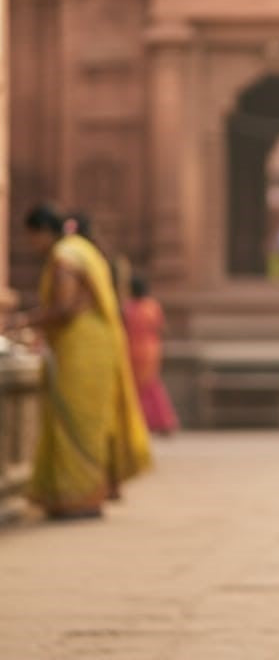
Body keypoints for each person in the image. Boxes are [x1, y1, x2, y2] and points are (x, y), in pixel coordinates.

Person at [14, 205, 151, 519]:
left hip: (79, 347)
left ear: (42, 232)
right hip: (102, 345)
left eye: (31, 237)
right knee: (91, 421)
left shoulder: (64, 256)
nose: (31, 245)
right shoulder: (87, 251)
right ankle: (90, 495)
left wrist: (23, 321)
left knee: (72, 419)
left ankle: (76, 498)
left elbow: (64, 307)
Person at [122, 275, 179, 435]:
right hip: (151, 351)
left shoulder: (128, 307)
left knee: (135, 390)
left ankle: (137, 423)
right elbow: (162, 328)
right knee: (152, 387)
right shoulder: (152, 306)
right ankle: (164, 422)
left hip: (132, 351)